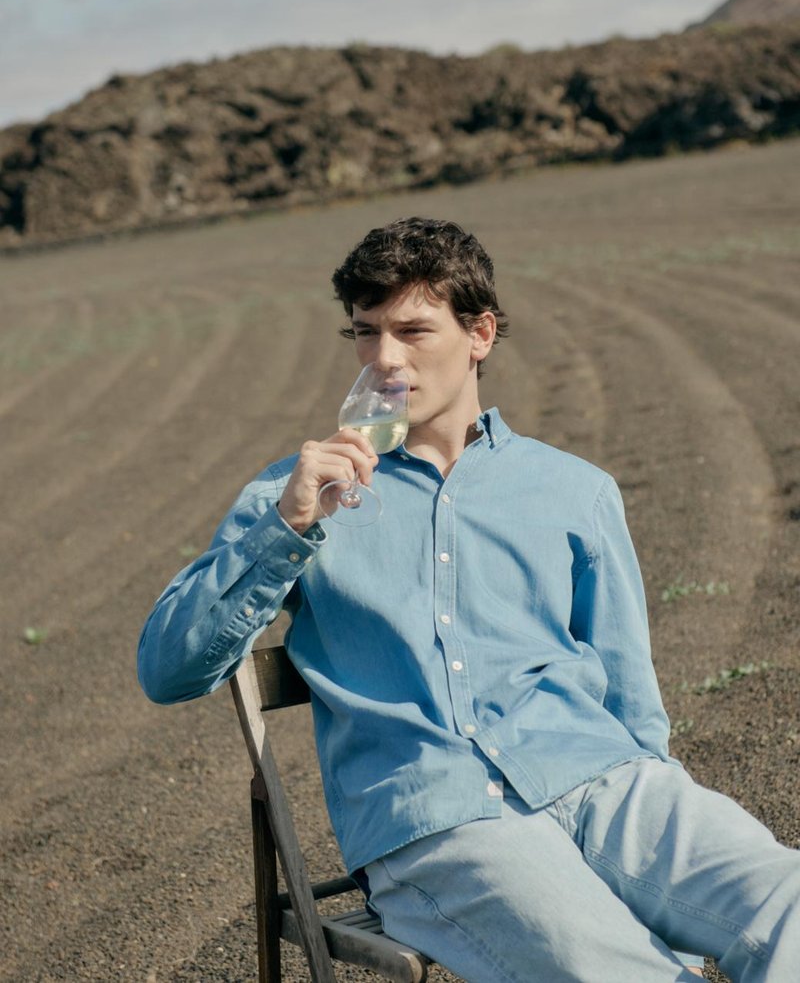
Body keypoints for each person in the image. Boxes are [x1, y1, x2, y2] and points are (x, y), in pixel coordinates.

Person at [139, 217, 799, 982]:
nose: (385, 357)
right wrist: (287, 527)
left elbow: (631, 704)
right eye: (365, 332)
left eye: (413, 330)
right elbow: (168, 669)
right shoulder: (298, 492)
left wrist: (656, 900)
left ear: (479, 333)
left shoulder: (574, 490)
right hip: (441, 822)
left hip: (605, 784)